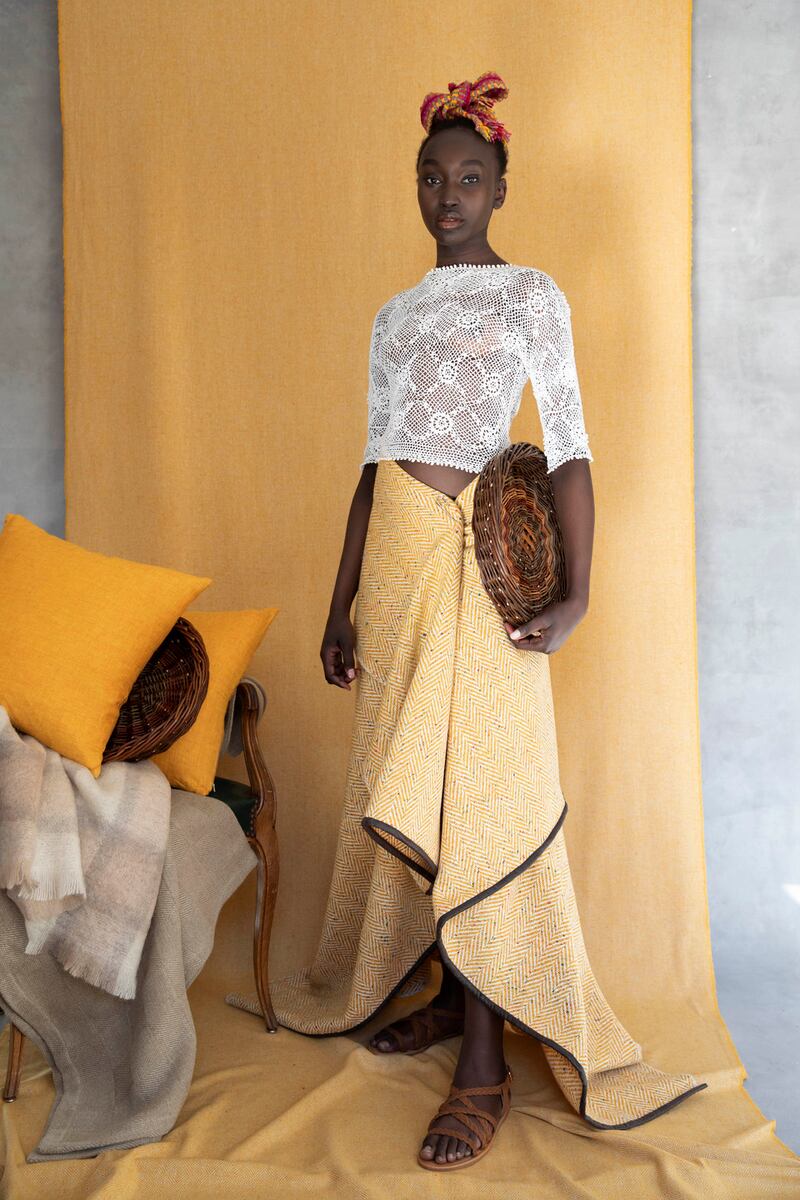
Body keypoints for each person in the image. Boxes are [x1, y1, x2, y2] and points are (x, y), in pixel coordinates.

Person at [227, 70, 707, 1171]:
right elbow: (368, 468)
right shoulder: (392, 318)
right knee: (413, 783)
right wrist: (340, 602)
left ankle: (483, 1063)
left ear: (499, 189)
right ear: (416, 188)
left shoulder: (530, 295)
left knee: (484, 793)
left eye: (469, 178)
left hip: (482, 564)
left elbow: (571, 447)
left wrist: (576, 590)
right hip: (396, 560)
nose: (448, 195)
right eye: (430, 179)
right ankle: (448, 994)